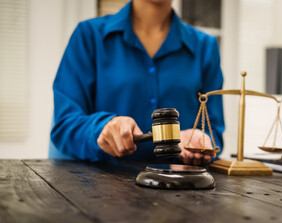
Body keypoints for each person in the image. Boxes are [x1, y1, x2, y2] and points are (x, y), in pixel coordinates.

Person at [50, 0, 224, 166]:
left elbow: (214, 132)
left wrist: (201, 142)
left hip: (183, 189)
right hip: (105, 186)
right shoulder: (88, 36)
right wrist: (101, 129)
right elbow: (65, 125)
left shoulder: (205, 47)